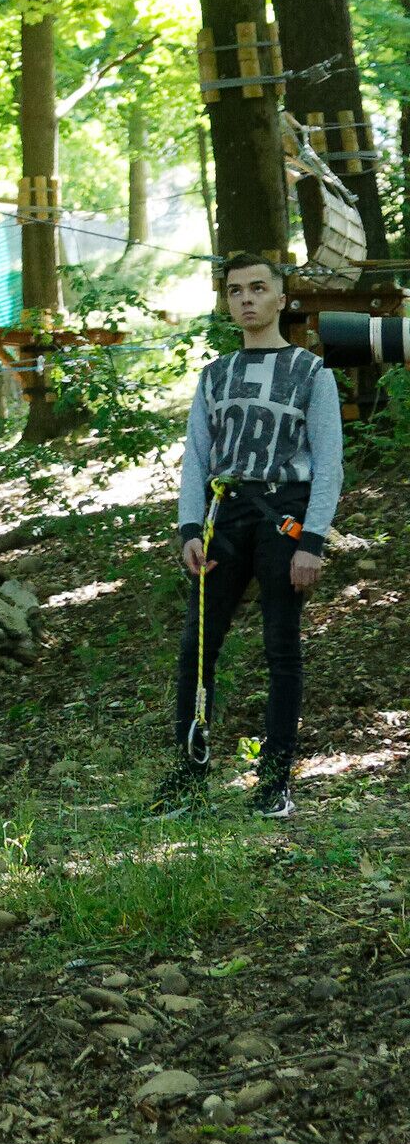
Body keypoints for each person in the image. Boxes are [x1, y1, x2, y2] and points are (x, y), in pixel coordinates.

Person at [160, 253, 341, 819]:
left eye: (258, 288)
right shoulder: (215, 375)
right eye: (236, 290)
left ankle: (275, 783)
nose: (246, 299)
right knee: (196, 648)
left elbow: (330, 462)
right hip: (225, 513)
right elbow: (196, 457)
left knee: (281, 649)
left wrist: (312, 540)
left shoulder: (312, 373)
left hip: (284, 513)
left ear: (280, 299)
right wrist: (190, 527)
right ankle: (188, 780)